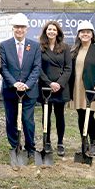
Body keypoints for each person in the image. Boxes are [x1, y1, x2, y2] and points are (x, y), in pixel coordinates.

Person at [0, 13, 41, 160]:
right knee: (11, 119)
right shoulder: (4, 45)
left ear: (27, 29)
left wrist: (27, 84)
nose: (19, 30)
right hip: (10, 90)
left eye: (22, 27)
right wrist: (14, 83)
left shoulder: (34, 46)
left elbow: (37, 68)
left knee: (27, 120)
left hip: (29, 92)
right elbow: (3, 67)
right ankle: (15, 146)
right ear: (13, 28)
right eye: (17, 27)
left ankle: (31, 148)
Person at [68, 20, 95, 157]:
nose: (85, 34)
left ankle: (93, 143)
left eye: (88, 32)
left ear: (92, 34)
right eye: (82, 32)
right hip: (77, 87)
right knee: (81, 115)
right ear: (78, 35)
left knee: (89, 115)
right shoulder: (73, 50)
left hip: (92, 88)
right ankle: (83, 142)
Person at [37, 20, 72, 156]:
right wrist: (49, 83)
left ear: (58, 32)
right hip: (45, 87)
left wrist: (59, 83)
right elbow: (38, 68)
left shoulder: (65, 47)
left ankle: (60, 143)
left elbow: (68, 68)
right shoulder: (40, 47)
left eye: (54, 29)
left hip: (60, 88)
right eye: (49, 29)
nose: (51, 31)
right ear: (45, 31)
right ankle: (47, 142)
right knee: (46, 115)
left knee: (59, 116)